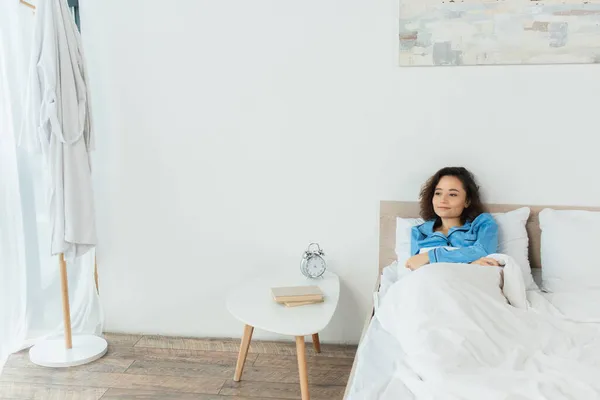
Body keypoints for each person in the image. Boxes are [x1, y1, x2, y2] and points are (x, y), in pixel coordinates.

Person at [405, 167, 501, 271]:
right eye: (438, 193)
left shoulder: (483, 223)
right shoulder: (420, 232)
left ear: (467, 201)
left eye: (452, 194)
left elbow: (483, 251)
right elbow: (414, 266)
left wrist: (430, 256)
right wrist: (470, 263)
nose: (443, 200)